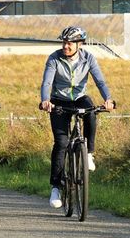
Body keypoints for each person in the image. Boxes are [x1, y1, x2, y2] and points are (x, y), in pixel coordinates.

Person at [40, 26, 115, 209]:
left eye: (69, 43)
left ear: (79, 44)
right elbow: (47, 82)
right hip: (59, 101)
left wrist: (108, 99)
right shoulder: (54, 58)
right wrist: (45, 100)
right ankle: (56, 188)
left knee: (91, 112)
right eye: (64, 42)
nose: (65, 46)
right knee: (61, 143)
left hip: (80, 98)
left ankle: (88, 152)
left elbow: (100, 81)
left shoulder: (88, 58)